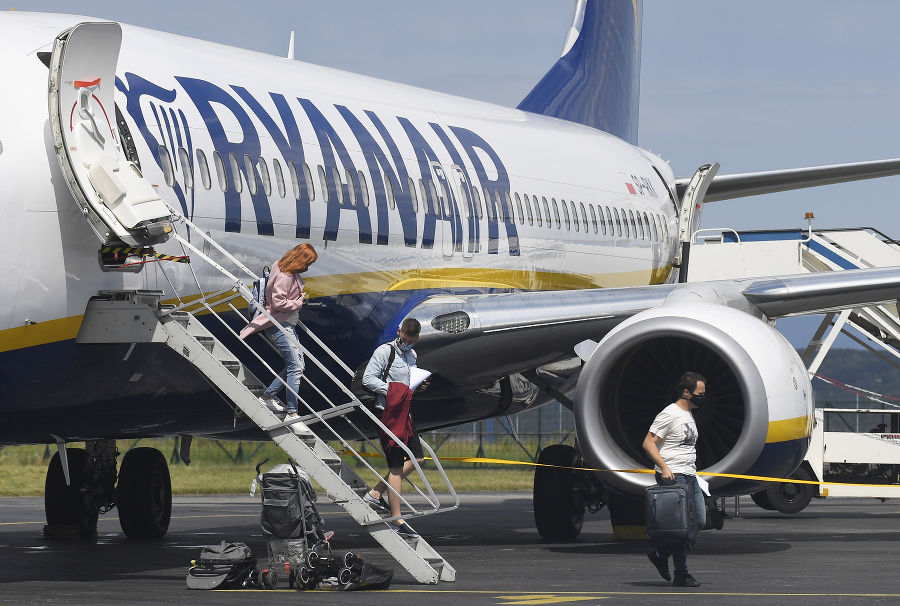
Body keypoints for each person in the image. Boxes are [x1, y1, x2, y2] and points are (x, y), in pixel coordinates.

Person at [239, 243, 317, 434]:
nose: (308, 267)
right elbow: (278, 302)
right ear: (300, 259)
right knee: (296, 367)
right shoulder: (285, 276)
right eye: (308, 263)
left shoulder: (280, 266)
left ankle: (267, 397)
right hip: (280, 325)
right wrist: (297, 303)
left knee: (295, 366)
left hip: (285, 325)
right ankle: (291, 414)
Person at [361, 318, 426, 537]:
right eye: (404, 339)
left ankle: (375, 493)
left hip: (405, 414)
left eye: (411, 341)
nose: (406, 344)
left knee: (417, 459)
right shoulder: (384, 352)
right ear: (399, 332)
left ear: (416, 339)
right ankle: (396, 520)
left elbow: (409, 385)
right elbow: (368, 379)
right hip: (387, 413)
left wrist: (418, 384)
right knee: (396, 467)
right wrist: (393, 389)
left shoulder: (412, 355)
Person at [642, 371, 708, 588]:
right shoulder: (669, 414)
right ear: (686, 392)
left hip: (690, 475)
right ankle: (681, 574)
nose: (702, 397)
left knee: (698, 521)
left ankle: (661, 552)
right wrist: (664, 467)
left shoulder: (688, 415)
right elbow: (649, 443)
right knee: (682, 527)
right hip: (673, 476)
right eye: (700, 393)